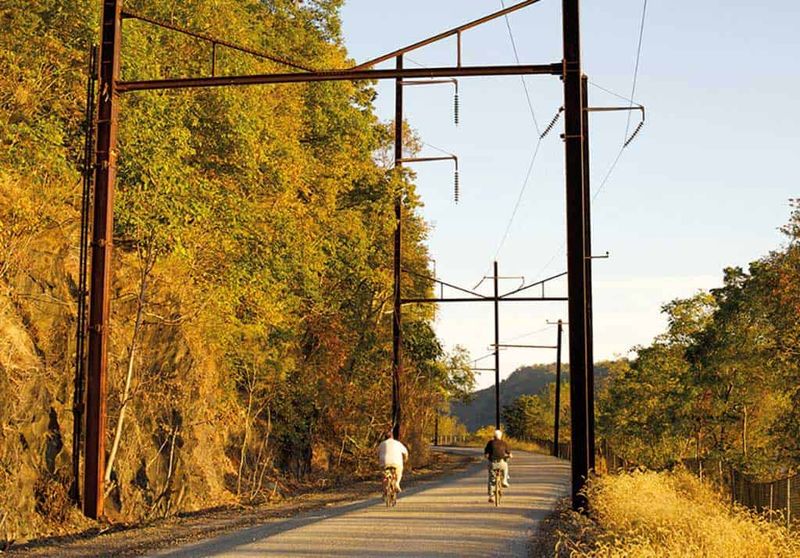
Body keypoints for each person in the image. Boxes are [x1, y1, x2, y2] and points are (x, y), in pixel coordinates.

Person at [484, 429, 511, 502]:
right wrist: (509, 455)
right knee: (505, 466)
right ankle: (504, 480)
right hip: (501, 463)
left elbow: (486, 453)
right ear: (501, 436)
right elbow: (508, 452)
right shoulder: (504, 443)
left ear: (494, 436)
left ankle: (491, 496)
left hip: (492, 463)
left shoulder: (490, 443)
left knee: (491, 479)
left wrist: (486, 456)